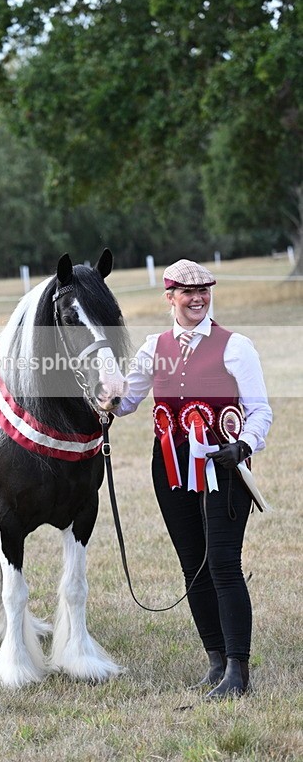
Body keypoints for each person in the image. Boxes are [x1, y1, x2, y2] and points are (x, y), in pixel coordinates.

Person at [113, 259, 272, 698]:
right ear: (170, 297)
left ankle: (238, 672)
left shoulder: (236, 346)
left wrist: (244, 445)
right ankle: (215, 661)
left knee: (223, 562)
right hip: (170, 468)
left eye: (204, 290)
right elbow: (125, 403)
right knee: (194, 565)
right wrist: (101, 393)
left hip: (224, 466)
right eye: (188, 291)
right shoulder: (153, 347)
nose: (198, 298)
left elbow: (261, 410)